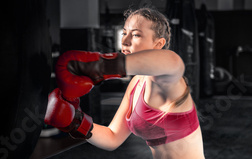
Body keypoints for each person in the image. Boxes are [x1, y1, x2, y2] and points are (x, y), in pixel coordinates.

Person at [44, 7, 205, 159]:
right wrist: (76, 123)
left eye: (136, 35)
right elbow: (112, 137)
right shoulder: (136, 84)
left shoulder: (169, 81)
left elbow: (173, 62)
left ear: (159, 44)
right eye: (124, 33)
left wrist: (99, 66)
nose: (125, 41)